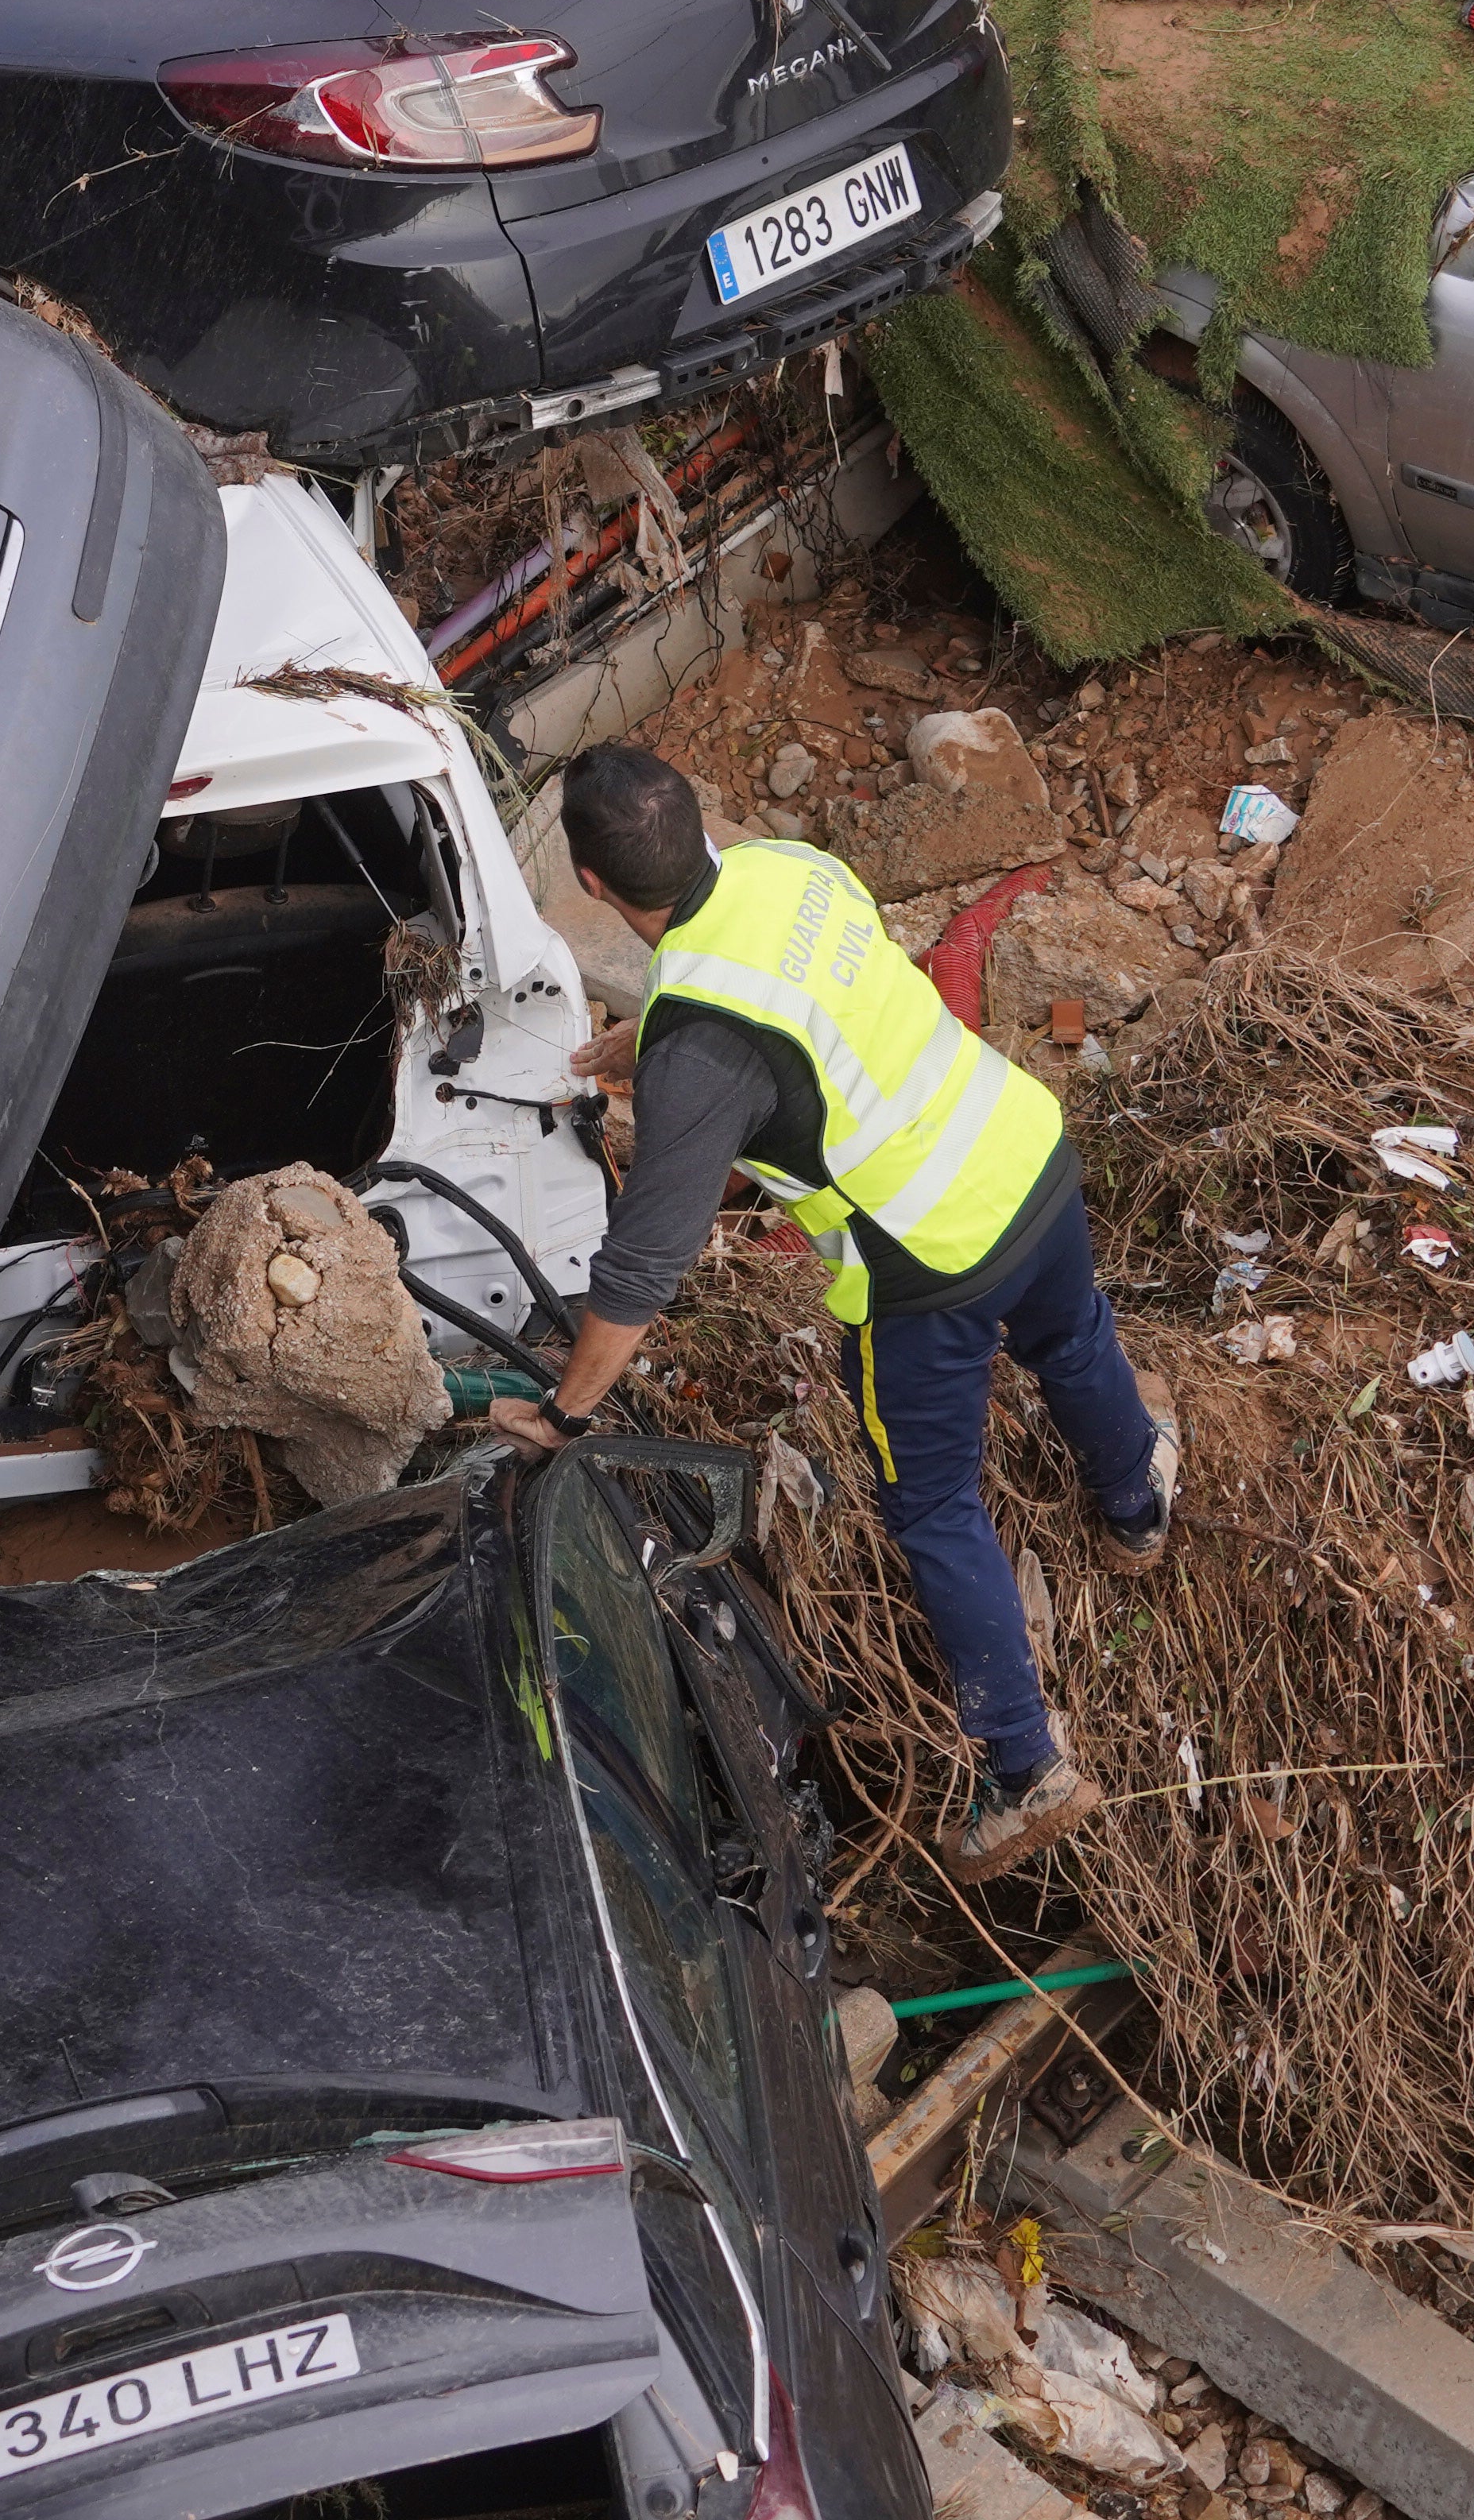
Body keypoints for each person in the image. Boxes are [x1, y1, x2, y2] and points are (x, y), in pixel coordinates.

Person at [492, 744, 1172, 1879]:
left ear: (593, 885)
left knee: (935, 1506)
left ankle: (1027, 1771)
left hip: (930, 1269)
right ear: (697, 824)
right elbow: (793, 997)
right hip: (1024, 1152)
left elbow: (642, 1270)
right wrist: (654, 1040)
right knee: (1072, 1339)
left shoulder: (700, 1051)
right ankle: (1137, 1511)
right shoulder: (787, 869)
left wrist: (565, 1415)